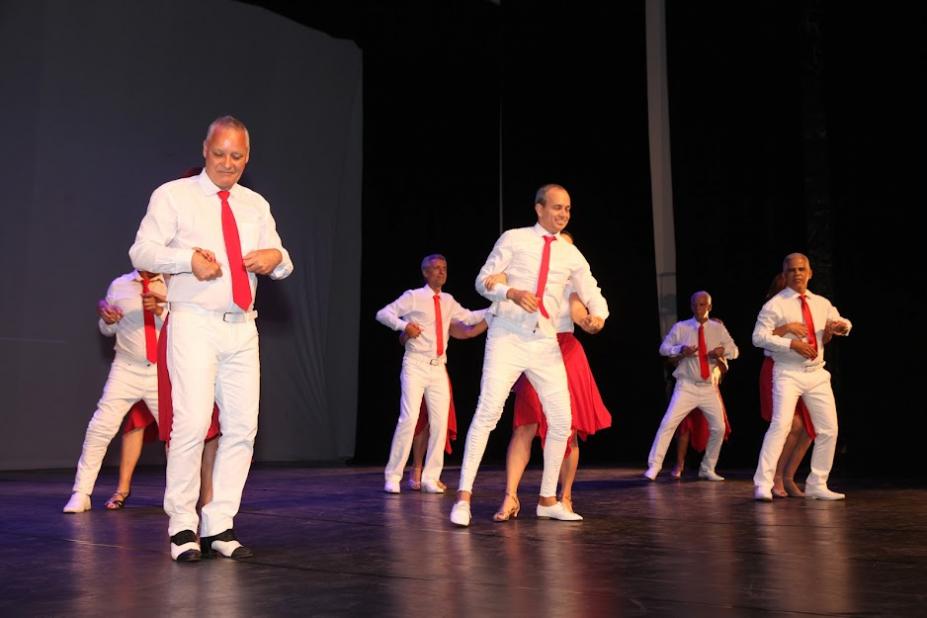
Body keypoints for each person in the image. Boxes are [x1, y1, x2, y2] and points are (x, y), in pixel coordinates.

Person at [130, 115, 293, 561]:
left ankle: (219, 522)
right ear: (205, 149)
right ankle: (182, 525)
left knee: (243, 427)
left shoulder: (255, 204)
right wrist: (186, 260)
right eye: (219, 153)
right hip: (194, 322)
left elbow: (284, 262)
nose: (227, 163)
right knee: (192, 424)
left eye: (236, 156)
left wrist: (273, 256)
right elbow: (141, 250)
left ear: (247, 156)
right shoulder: (173, 196)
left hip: (242, 326)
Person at [449, 184, 608, 526]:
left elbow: (591, 289)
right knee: (489, 412)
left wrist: (599, 317)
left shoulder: (570, 253)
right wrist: (512, 291)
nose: (563, 214)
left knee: (562, 421)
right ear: (539, 209)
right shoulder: (514, 239)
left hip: (545, 343)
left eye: (567, 209)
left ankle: (548, 499)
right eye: (556, 207)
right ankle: (463, 497)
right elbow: (482, 281)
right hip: (508, 336)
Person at [487, 231, 611, 522]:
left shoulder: (571, 287)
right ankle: (510, 496)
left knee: (568, 429)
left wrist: (591, 323)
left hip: (566, 352)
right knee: (524, 425)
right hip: (534, 349)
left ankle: (564, 496)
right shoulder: (532, 279)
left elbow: (580, 312)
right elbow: (504, 282)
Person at [376, 254, 487, 494]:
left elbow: (468, 317)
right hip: (415, 364)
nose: (441, 272)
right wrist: (404, 326)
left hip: (438, 367)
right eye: (436, 268)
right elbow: (384, 313)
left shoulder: (447, 300)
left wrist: (495, 310)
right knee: (409, 419)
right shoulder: (414, 296)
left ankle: (430, 477)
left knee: (439, 423)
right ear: (425, 273)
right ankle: (393, 475)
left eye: (444, 268)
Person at [63, 270, 167, 513]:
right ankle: (81, 493)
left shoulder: (174, 282)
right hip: (126, 368)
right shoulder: (120, 285)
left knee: (178, 437)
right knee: (100, 428)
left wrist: (161, 310)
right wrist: (108, 320)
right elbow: (107, 329)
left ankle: (181, 499)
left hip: (162, 371)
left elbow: (186, 327)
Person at [753, 253, 850, 502]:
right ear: (785, 275)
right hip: (788, 373)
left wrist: (842, 327)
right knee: (781, 426)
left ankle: (817, 483)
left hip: (817, 373)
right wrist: (791, 344)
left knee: (829, 429)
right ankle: (763, 483)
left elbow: (842, 321)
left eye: (801, 269)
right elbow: (758, 338)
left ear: (810, 273)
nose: (797, 273)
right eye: (792, 270)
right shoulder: (775, 305)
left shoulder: (821, 303)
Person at [644, 291, 738, 482]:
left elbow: (735, 351)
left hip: (707, 387)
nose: (698, 308)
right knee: (668, 423)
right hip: (686, 386)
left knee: (719, 428)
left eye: (702, 305)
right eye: (695, 305)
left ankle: (707, 468)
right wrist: (680, 349)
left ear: (709, 307)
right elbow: (663, 348)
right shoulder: (682, 327)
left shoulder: (717, 328)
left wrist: (722, 351)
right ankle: (654, 466)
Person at [406, 319, 487, 491]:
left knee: (439, 424)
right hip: (418, 370)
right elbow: (402, 337)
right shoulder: (418, 307)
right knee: (421, 421)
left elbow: (467, 332)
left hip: (438, 372)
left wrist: (491, 316)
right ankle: (416, 468)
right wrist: (408, 333)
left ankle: (431, 475)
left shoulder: (446, 312)